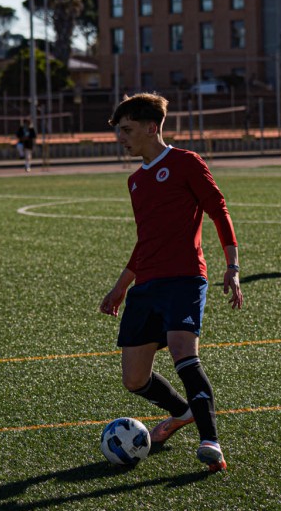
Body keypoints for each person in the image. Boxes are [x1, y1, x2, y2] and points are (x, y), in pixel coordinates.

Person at [99, 92, 243, 473]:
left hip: (185, 278)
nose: (121, 138)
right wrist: (121, 286)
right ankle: (182, 412)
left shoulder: (186, 163)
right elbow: (145, 241)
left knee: (183, 353)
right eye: (119, 131)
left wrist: (232, 264)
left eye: (127, 130)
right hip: (147, 285)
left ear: (152, 128)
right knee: (134, 379)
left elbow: (219, 210)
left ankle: (211, 442)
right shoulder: (135, 181)